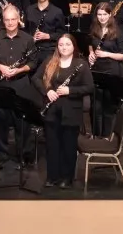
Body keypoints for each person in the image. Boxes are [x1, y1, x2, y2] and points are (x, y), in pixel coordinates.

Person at [35, 34, 92, 189]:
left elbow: (89, 87)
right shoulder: (50, 61)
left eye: (67, 44)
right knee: (52, 145)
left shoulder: (81, 64)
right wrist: (47, 91)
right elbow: (36, 78)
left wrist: (70, 90)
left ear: (73, 46)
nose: (64, 47)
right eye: (61, 44)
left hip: (71, 111)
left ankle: (67, 178)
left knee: (68, 145)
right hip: (52, 109)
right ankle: (52, 176)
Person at [0, 6, 38, 169]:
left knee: (22, 122)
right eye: (7, 19)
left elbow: (33, 62)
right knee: (1, 121)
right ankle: (2, 154)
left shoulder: (28, 39)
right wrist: (0, 67)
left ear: (18, 20)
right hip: (1, 85)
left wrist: (20, 69)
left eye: (13, 19)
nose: (10, 23)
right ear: (3, 21)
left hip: (21, 84)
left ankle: (24, 155)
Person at [87, 3, 123, 137]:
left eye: (105, 14)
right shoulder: (94, 28)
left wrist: (107, 54)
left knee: (108, 107)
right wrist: (91, 53)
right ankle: (95, 135)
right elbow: (90, 44)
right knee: (95, 106)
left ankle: (106, 137)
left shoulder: (117, 31)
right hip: (96, 70)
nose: (102, 17)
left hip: (111, 71)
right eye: (99, 14)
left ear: (110, 15)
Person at [24, 0, 67, 66]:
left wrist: (48, 36)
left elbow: (62, 33)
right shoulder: (29, 10)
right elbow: (25, 30)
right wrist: (31, 38)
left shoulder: (57, 11)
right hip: (32, 50)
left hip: (49, 51)